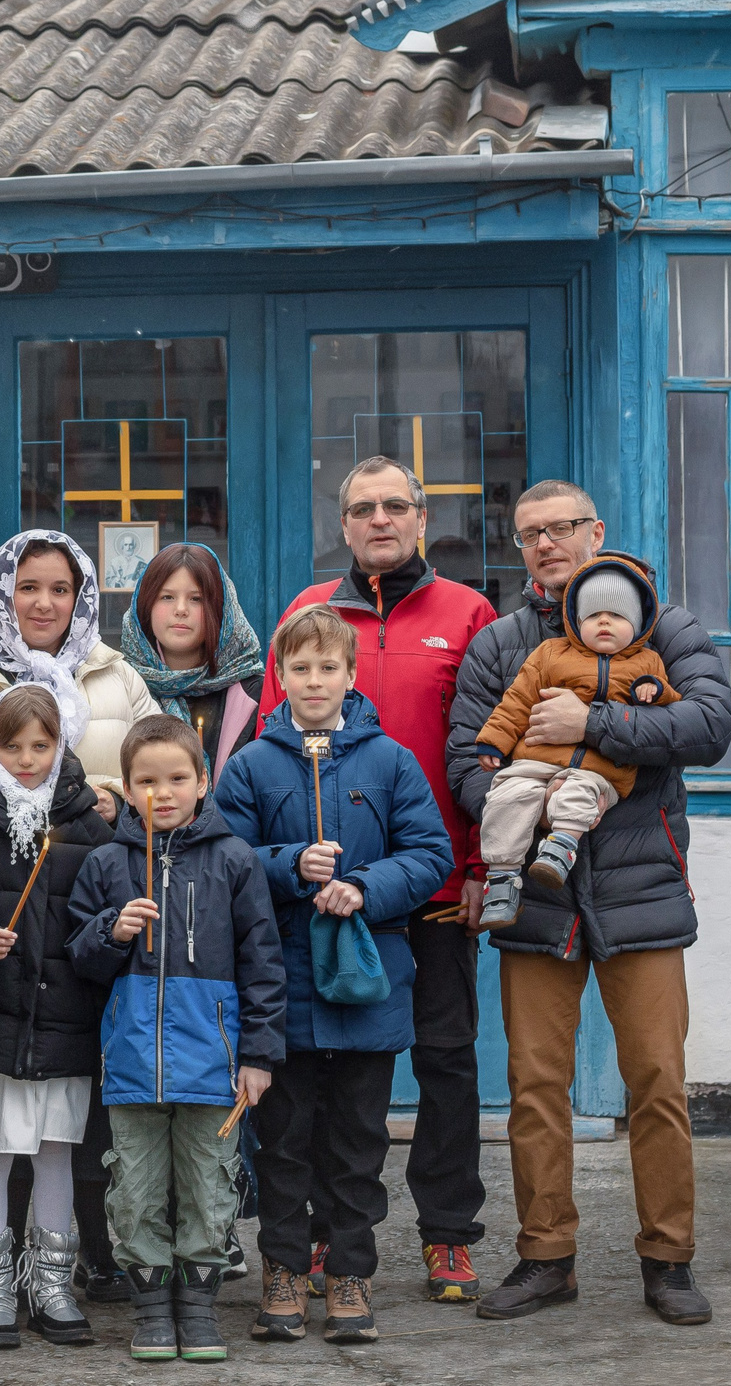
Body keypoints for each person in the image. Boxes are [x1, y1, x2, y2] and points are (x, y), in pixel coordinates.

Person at [444, 483, 731, 1328]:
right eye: (529, 533)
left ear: (595, 532)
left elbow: (711, 727)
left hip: (640, 885)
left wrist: (594, 718)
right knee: (534, 1084)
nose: (545, 544)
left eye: (561, 528)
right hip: (535, 892)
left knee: (657, 1080)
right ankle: (546, 1256)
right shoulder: (502, 643)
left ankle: (668, 1259)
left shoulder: (665, 627)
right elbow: (468, 757)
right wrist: (518, 802)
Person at [258, 457, 497, 1303]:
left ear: (422, 517)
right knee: (329, 1082)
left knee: (448, 1062)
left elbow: (482, 750)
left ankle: (446, 1234)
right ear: (345, 521)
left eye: (397, 504)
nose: (381, 518)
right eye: (364, 507)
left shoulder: (467, 613)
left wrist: (474, 863)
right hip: (322, 903)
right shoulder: (309, 617)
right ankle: (321, 1239)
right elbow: (268, 747)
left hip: (430, 888)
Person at [215, 603, 451, 1346]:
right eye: (300, 668)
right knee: (282, 1142)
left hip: (365, 986)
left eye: (328, 667)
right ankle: (283, 1269)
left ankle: (350, 1272)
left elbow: (431, 854)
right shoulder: (251, 765)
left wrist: (366, 885)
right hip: (281, 985)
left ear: (351, 674)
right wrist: (287, 864)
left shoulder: (392, 761)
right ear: (278, 677)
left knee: (357, 1143)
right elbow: (223, 857)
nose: (314, 680)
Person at [68, 716, 285, 1365]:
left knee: (210, 1188)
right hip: (134, 1068)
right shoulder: (107, 864)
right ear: (127, 787)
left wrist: (258, 1056)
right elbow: (79, 957)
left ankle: (198, 1305)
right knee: (133, 1192)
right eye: (146, 781)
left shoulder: (235, 861)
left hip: (214, 1068)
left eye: (177, 779)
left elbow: (264, 965)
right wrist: (113, 928)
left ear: (203, 781)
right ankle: (152, 1307)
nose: (162, 793)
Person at [0, 684, 117, 1350]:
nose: (27, 758)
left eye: (41, 745)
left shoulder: (88, 830)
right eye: (11, 746)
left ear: (61, 746)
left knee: (54, 1152)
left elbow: (104, 914)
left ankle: (51, 1282)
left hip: (63, 1024)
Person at [470, 553, 674, 931]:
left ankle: (561, 847)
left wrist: (653, 689)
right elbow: (516, 700)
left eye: (618, 616)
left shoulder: (647, 662)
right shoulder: (550, 654)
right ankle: (502, 876)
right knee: (507, 795)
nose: (605, 622)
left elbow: (672, 709)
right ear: (575, 621)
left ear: (640, 624)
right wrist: (493, 742)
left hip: (601, 770)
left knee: (579, 792)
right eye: (593, 616)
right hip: (536, 760)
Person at [0, 529, 159, 828]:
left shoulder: (119, 677)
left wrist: (116, 802)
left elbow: (159, 771)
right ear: (2, 594)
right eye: (28, 587)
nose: (44, 603)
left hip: (98, 868)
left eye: (60, 590)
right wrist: (7, 828)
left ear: (79, 598)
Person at [124, 543, 269, 783]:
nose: (181, 610)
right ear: (145, 606)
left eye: (196, 599)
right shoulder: (122, 683)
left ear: (221, 610)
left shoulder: (254, 693)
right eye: (167, 597)